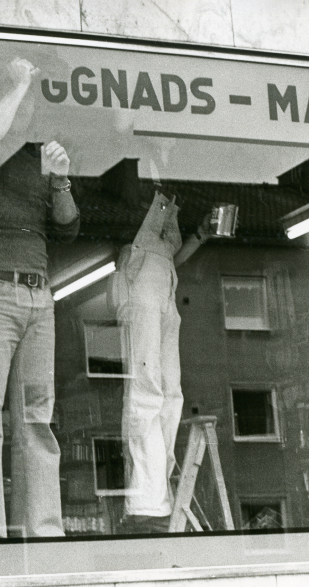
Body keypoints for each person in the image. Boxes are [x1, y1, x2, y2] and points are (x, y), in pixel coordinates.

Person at [0, 56, 80, 538]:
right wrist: (20, 83)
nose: (29, 110)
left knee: (35, 417)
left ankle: (43, 531)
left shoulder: (37, 158)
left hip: (38, 294)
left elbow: (67, 227)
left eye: (32, 102)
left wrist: (62, 179)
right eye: (22, 100)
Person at [112, 189, 211, 533]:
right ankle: (144, 501)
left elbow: (169, 256)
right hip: (140, 281)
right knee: (146, 389)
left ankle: (157, 495)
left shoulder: (166, 182)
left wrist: (199, 236)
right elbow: (133, 244)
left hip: (164, 282)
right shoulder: (131, 174)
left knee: (171, 395)